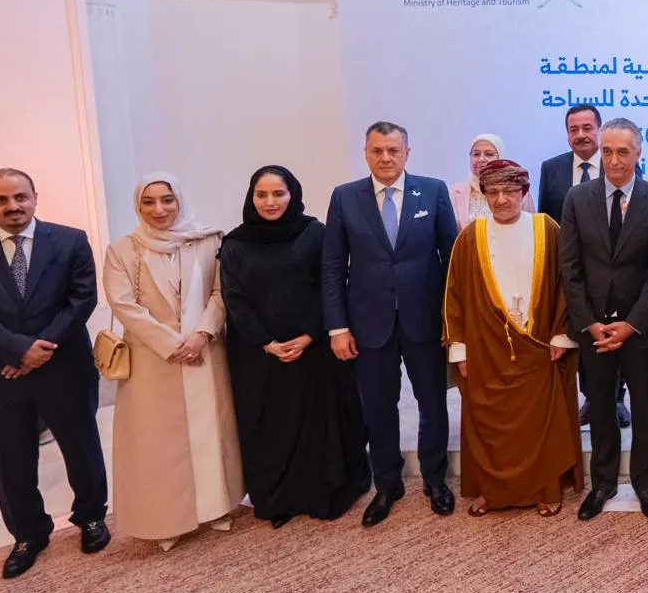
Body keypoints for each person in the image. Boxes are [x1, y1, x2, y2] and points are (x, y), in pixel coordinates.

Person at [0, 169, 108, 579]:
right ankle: (28, 534)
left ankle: (91, 516)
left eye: (20, 197)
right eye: (0, 200)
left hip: (64, 367)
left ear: (35, 196)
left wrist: (38, 350)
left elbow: (81, 300)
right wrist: (18, 351)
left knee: (82, 448)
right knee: (11, 459)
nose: (12, 206)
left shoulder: (70, 240)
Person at [321, 122, 457, 526]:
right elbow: (332, 267)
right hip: (368, 324)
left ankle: (435, 480)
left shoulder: (432, 191)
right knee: (379, 407)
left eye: (393, 151)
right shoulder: (345, 197)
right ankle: (387, 484)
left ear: (407, 153)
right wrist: (337, 327)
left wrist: (452, 321)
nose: (385, 158)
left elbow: (451, 261)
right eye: (377, 150)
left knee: (432, 404)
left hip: (425, 321)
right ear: (365, 153)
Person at [220, 165, 370, 528]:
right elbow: (234, 298)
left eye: (278, 193)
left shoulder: (314, 234)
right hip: (261, 358)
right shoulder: (236, 244)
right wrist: (267, 342)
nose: (270, 202)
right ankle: (279, 499)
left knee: (320, 422)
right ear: (251, 197)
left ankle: (321, 493)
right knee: (271, 427)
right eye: (262, 195)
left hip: (314, 351)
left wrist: (308, 334)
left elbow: (330, 285)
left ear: (293, 195)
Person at [103, 173, 243, 551]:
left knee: (210, 431)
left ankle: (217, 505)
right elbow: (123, 305)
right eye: (148, 202)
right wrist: (172, 344)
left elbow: (221, 292)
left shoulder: (208, 240)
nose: (159, 209)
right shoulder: (123, 250)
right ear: (138, 206)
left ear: (179, 200)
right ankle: (167, 517)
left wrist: (202, 335)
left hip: (205, 352)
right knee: (158, 441)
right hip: (153, 362)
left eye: (167, 199)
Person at [443, 160, 583, 516]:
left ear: (524, 192)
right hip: (485, 347)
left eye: (509, 191)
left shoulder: (546, 228)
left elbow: (566, 284)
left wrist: (562, 334)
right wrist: (459, 350)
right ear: (484, 196)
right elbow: (454, 297)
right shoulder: (470, 237)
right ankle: (494, 491)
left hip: (539, 344)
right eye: (493, 192)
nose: (501, 199)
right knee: (490, 421)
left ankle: (545, 488)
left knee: (539, 421)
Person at [559, 118, 648, 521]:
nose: (613, 160)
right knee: (601, 409)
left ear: (638, 153)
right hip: (593, 327)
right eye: (607, 151)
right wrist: (589, 322)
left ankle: (646, 485)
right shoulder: (577, 198)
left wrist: (631, 324)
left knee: (643, 409)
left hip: (640, 329)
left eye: (623, 152)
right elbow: (569, 267)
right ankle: (603, 483)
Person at [536, 104, 628, 429]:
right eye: (574, 129)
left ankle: (617, 399)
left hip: (612, 272)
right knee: (582, 336)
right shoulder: (552, 169)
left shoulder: (618, 164)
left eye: (587, 128)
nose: (581, 135)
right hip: (573, 273)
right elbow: (546, 221)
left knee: (612, 337)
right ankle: (591, 397)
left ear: (599, 131)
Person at [450, 133, 534, 228]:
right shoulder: (454, 192)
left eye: (488, 154)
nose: (481, 159)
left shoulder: (518, 189)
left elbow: (530, 227)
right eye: (476, 154)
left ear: (500, 157)